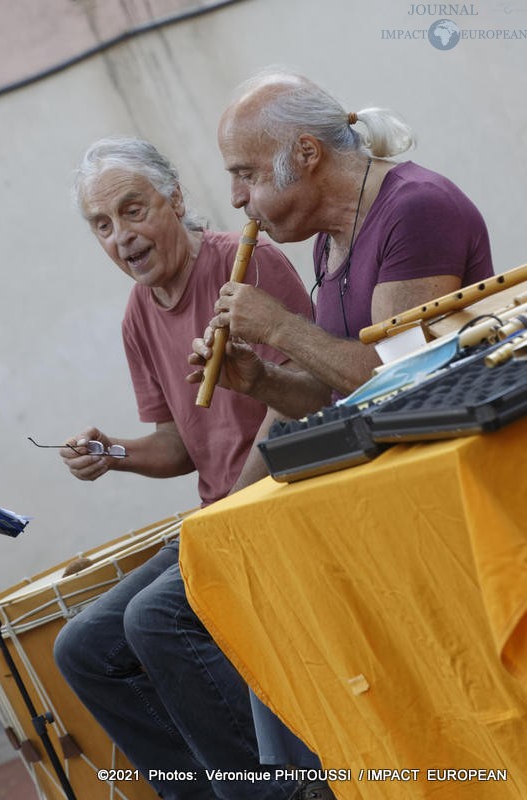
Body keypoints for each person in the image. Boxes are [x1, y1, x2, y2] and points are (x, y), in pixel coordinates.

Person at [187, 65, 493, 779]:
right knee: (207, 578)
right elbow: (338, 398)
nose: (236, 199)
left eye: (245, 174)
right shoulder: (330, 242)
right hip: (372, 486)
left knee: (203, 596)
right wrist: (259, 377)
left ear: (306, 154)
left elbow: (399, 386)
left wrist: (281, 330)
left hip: (433, 492)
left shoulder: (417, 209)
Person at [52, 136, 320, 800]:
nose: (122, 237)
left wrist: (233, 508)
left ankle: (278, 792)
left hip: (284, 499)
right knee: (82, 647)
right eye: (102, 226)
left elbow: (304, 397)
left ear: (173, 199)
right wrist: (110, 454)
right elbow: (177, 446)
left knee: (154, 619)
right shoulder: (138, 315)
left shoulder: (244, 264)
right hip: (219, 519)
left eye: (133, 210)